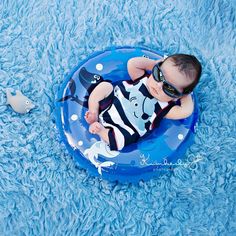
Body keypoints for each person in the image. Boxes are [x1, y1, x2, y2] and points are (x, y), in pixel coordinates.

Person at [84, 54, 202, 151]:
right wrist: (153, 63)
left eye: (169, 89)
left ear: (177, 96)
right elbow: (133, 62)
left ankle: (102, 132)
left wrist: (186, 95)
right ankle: (93, 111)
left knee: (122, 139)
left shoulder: (165, 108)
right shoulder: (142, 78)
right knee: (104, 86)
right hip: (108, 105)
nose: (159, 85)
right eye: (159, 75)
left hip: (122, 129)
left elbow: (186, 111)